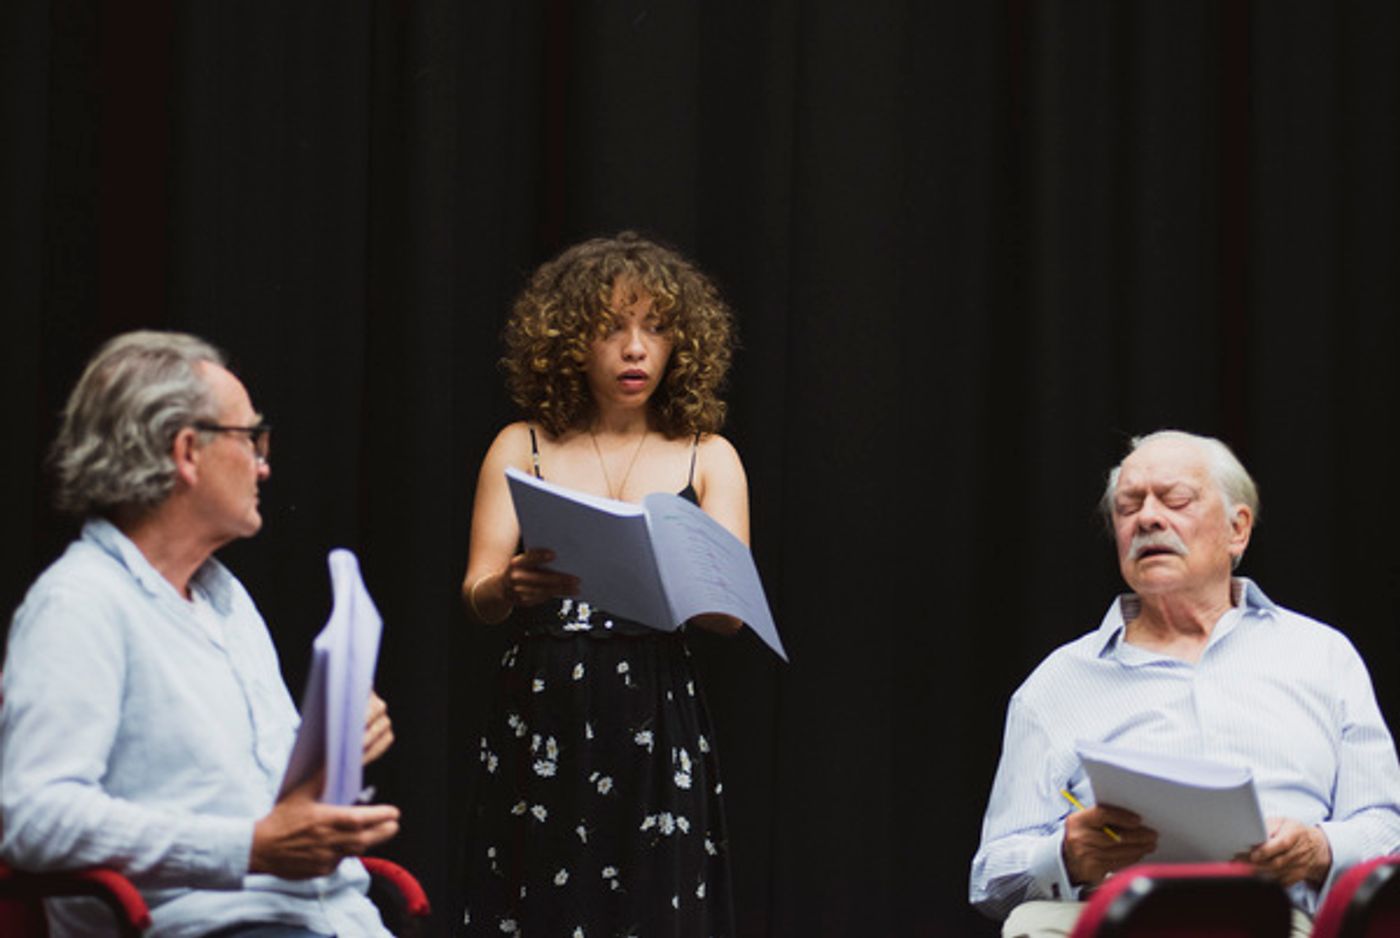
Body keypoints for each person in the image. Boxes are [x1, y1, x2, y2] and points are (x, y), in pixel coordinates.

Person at [0, 331, 402, 938]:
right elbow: (36, 817)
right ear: (188, 452)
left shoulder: (226, 600)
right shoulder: (79, 603)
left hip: (339, 920)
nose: (264, 464)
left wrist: (335, 747)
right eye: (250, 439)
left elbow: (258, 805)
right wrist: (247, 847)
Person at [970, 429, 1400, 937]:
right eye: (1128, 507)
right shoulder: (1056, 684)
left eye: (1175, 500)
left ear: (1237, 529)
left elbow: (1387, 828)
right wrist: (1065, 854)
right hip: (1112, 921)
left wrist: (1319, 849)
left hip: (1271, 922)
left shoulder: (1322, 656)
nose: (1148, 518)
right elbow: (991, 877)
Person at [459, 231, 747, 936]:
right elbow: (477, 594)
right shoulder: (521, 444)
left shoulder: (709, 457)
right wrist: (511, 586)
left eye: (655, 328)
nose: (635, 349)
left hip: (653, 708)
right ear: (568, 340)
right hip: (546, 704)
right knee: (539, 898)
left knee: (654, 902)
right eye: (611, 328)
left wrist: (681, 578)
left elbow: (731, 616)